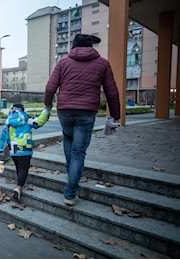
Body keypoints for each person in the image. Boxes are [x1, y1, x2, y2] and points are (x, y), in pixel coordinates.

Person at [44, 33, 121, 206]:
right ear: (91, 47)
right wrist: (114, 115)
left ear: (74, 45)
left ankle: (71, 178)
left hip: (65, 111)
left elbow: (50, 88)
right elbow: (112, 92)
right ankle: (70, 193)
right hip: (86, 113)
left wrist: (47, 106)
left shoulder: (63, 62)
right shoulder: (102, 64)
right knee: (78, 152)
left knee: (68, 141)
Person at [0, 103, 50, 201]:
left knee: (18, 167)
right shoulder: (27, 119)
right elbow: (39, 122)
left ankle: (19, 183)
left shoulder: (8, 121)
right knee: (24, 168)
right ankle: (19, 187)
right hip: (26, 148)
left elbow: (3, 138)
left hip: (14, 149)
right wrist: (46, 110)